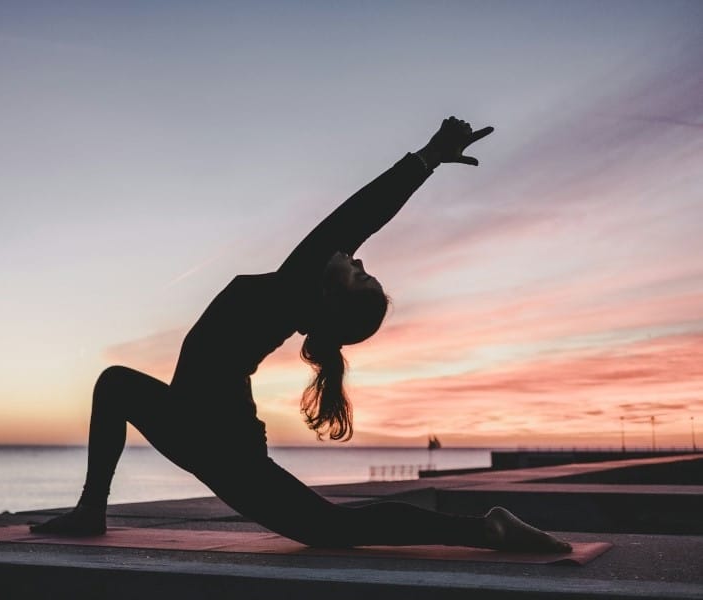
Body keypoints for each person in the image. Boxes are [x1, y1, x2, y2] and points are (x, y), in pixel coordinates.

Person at [32, 117, 571, 552]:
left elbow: (359, 215)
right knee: (115, 384)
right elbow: (355, 227)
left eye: (359, 273)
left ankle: (485, 529)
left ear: (331, 299)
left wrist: (427, 157)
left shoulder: (295, 287)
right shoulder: (291, 296)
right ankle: (91, 509)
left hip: (217, 441)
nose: (355, 257)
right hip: (195, 423)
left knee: (332, 531)